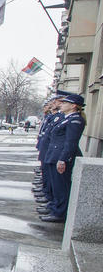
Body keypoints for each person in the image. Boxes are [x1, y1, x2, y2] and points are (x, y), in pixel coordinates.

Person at [41, 94, 86, 223]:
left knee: (61, 187)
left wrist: (63, 159)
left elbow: (70, 143)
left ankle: (59, 213)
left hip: (61, 157)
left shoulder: (75, 120)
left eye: (66, 103)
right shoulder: (66, 118)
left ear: (73, 106)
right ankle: (55, 207)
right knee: (56, 185)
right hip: (54, 155)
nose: (62, 104)